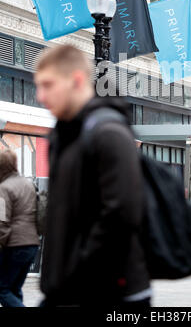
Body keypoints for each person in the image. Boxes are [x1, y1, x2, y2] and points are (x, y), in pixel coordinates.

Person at [34, 44, 151, 309]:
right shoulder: (62, 137)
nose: (40, 95)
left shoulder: (108, 133)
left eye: (48, 84)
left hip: (105, 293)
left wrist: (80, 269)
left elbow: (122, 212)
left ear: (76, 80)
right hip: (65, 290)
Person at [0, 149, 40, 307]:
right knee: (14, 288)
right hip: (32, 245)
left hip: (14, 246)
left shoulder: (3, 188)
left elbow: (2, 222)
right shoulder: (28, 184)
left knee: (2, 289)